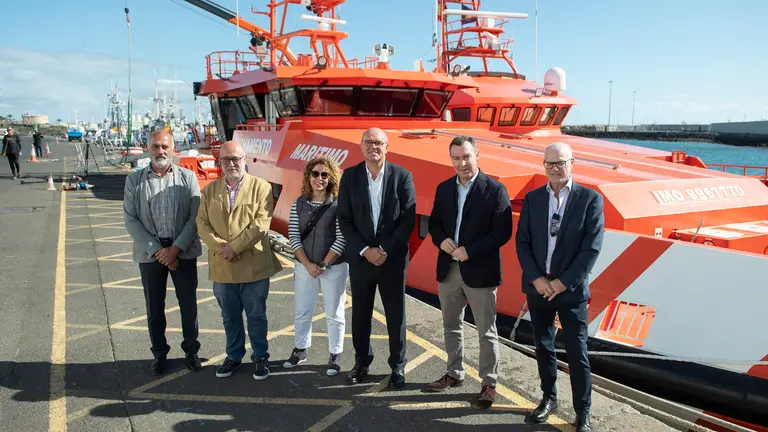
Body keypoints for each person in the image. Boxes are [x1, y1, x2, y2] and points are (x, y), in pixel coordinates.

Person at [515, 142, 604, 432]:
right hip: (538, 288)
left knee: (577, 352)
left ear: (572, 163)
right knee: (543, 345)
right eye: (549, 163)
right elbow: (523, 242)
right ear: (544, 165)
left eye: (560, 163)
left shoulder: (590, 200)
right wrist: (537, 279)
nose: (554, 168)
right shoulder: (532, 199)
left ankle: (583, 412)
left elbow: (591, 249)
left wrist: (563, 282)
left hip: (571, 291)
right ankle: (549, 398)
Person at [425, 136, 512, 409]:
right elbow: (435, 224)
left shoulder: (495, 190)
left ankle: (489, 383)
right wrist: (441, 241)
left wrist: (470, 250)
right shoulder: (443, 188)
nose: (462, 163)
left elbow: (503, 231)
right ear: (451, 160)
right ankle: (454, 373)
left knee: (486, 331)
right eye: (456, 158)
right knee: (451, 326)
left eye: (466, 157)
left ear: (477, 155)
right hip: (449, 269)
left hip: (480, 271)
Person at [196, 140, 283, 381]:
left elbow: (261, 222)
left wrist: (235, 246)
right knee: (229, 316)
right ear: (220, 162)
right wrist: (220, 247)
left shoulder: (262, 187)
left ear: (245, 159)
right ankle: (233, 356)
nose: (231, 164)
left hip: (253, 263)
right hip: (223, 264)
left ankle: (260, 357)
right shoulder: (210, 190)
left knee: (256, 315)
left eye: (236, 159)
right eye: (226, 160)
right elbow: (201, 223)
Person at [337, 127, 416, 389]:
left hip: (391, 260)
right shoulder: (349, 177)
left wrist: (384, 250)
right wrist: (365, 250)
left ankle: (398, 366)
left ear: (387, 147)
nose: (373, 147)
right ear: (361, 147)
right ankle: (362, 362)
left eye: (378, 143)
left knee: (396, 315)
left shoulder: (403, 177)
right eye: (368, 142)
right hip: (361, 260)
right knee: (360, 314)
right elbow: (345, 220)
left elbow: (407, 220)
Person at [123, 130, 203, 375]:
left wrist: (175, 248)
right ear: (148, 148)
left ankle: (191, 350)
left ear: (173, 148)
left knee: (188, 305)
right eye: (156, 146)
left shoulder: (187, 178)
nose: (160, 151)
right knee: (154, 307)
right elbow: (130, 219)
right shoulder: (134, 180)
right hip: (151, 254)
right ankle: (159, 353)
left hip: (183, 251)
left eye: (165, 147)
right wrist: (159, 251)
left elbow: (195, 217)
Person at [283, 156, 349, 376]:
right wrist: (308, 265)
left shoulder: (339, 205)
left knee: (335, 313)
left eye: (324, 174)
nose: (319, 178)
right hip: (305, 266)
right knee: (303, 310)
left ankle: (335, 354)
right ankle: (300, 350)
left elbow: (341, 238)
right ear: (308, 176)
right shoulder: (298, 203)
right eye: (315, 174)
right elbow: (293, 236)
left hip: (333, 267)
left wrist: (322, 264)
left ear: (331, 178)